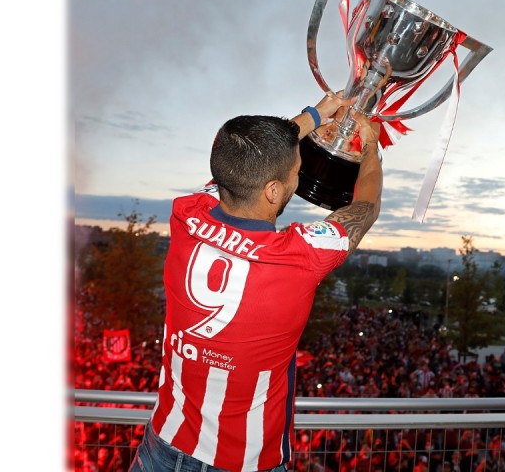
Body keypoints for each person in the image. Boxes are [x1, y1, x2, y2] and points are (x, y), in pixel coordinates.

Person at [129, 91, 382, 472]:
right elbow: (366, 208)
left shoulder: (186, 214)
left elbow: (243, 160)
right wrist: (371, 148)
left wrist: (315, 115)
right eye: (296, 172)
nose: (298, 179)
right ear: (274, 191)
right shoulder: (301, 256)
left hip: (162, 446)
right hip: (244, 463)